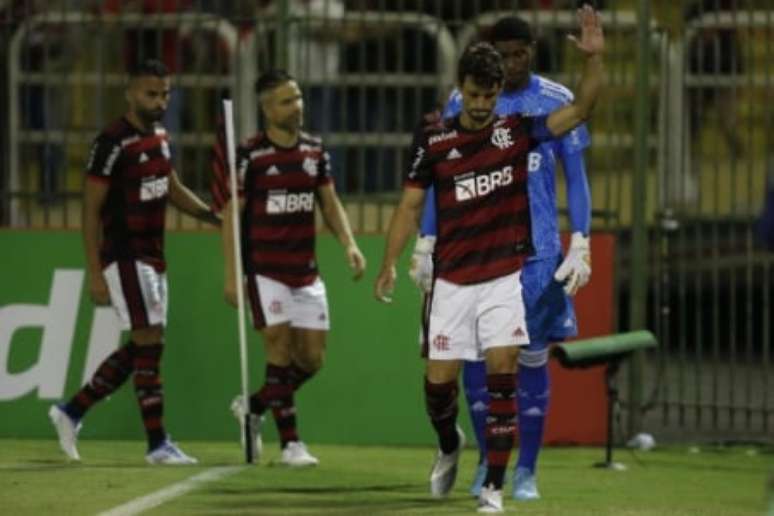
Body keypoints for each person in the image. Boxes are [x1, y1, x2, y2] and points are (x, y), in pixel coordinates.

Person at [374, 5, 604, 513]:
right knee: (446, 383)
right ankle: (460, 447)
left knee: (515, 364)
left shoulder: (524, 126)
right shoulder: (439, 132)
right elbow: (418, 198)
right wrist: (416, 249)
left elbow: (581, 122)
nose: (480, 102)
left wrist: (580, 240)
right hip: (458, 272)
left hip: (525, 259)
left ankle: (509, 477)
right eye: (473, 94)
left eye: (489, 93)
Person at [48, 59, 219, 464]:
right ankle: (157, 444)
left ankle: (71, 411)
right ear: (129, 93)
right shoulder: (111, 142)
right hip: (125, 256)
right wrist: (95, 272)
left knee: (146, 346)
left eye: (165, 94)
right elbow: (90, 210)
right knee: (148, 342)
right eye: (150, 93)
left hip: (155, 257)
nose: (159, 102)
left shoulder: (160, 135)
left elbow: (172, 187)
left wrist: (213, 216)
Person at [217, 69, 366, 466]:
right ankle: (291, 444)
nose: (297, 106)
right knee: (278, 347)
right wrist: (233, 275)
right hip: (266, 271)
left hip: (306, 273)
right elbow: (232, 215)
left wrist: (349, 244)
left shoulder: (315, 151)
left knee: (312, 360)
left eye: (298, 97)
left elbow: (329, 204)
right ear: (267, 109)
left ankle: (254, 405)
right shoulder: (251, 155)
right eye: (287, 100)